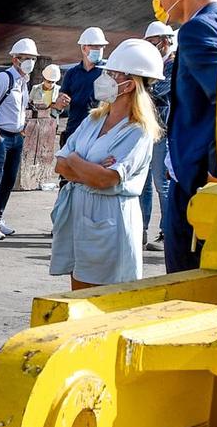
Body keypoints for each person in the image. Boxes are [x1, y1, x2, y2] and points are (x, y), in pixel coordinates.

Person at [145, 0, 217, 272]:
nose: (159, 1)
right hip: (204, 181)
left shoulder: (197, 31)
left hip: (196, 187)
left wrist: (214, 175)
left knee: (185, 284)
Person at [50, 38, 163, 287]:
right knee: (78, 290)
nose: (105, 79)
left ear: (130, 85)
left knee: (104, 297)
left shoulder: (138, 131)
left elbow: (105, 179)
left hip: (112, 218)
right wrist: (86, 167)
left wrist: (75, 160)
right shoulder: (93, 119)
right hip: (80, 212)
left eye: (113, 74)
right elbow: (60, 164)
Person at [0, 37, 38, 240]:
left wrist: (21, 130)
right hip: (1, 136)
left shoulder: (24, 82)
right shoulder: (4, 79)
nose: (30, 62)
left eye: (32, 58)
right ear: (15, 59)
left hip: (16, 136)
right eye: (26, 58)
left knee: (9, 180)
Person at [141, 19, 177, 244]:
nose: (151, 47)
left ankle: (167, 232)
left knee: (161, 183)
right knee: (142, 183)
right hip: (144, 128)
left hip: (161, 131)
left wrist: (141, 87)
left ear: (165, 42)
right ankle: (141, 229)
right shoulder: (150, 64)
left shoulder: (173, 65)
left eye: (154, 42)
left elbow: (159, 91)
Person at [58, 27, 107, 141]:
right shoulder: (72, 73)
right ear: (84, 48)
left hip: (98, 131)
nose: (98, 49)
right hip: (74, 129)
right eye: (94, 46)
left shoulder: (108, 72)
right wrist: (61, 100)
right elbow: (62, 97)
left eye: (101, 46)